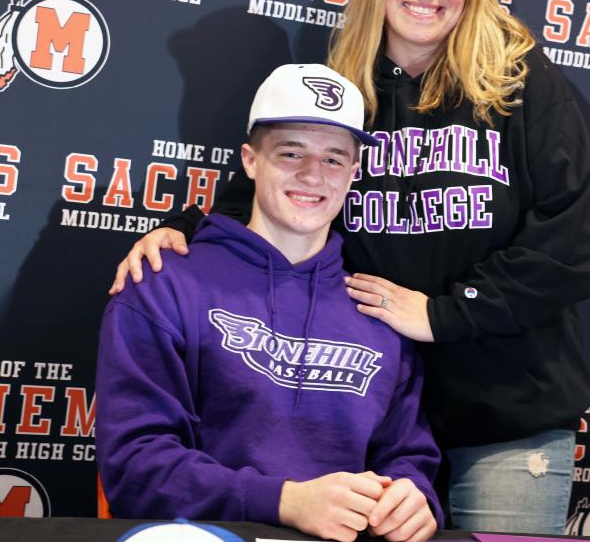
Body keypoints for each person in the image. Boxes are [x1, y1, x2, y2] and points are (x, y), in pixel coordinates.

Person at [110, 0, 590, 535]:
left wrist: (443, 312)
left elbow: (571, 247)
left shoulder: (518, 81)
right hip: (370, 412)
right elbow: (278, 175)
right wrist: (182, 230)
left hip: (503, 409)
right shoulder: (346, 82)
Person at [97, 63, 441, 542]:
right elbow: (135, 466)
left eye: (334, 159)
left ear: (354, 174)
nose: (312, 175)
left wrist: (415, 496)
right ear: (250, 160)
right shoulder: (163, 283)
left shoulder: (378, 309)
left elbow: (405, 454)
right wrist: (286, 501)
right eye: (290, 153)